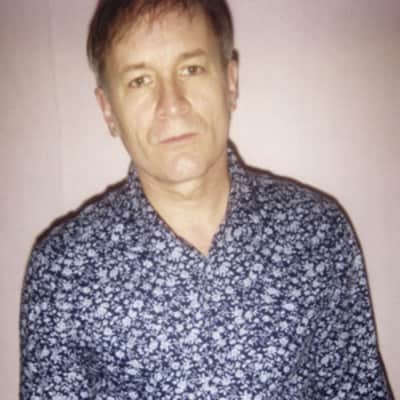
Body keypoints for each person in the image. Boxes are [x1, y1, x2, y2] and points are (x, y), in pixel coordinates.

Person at [20, 0, 392, 399]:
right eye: (140, 80)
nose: (172, 104)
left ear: (230, 82)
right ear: (108, 110)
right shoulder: (63, 272)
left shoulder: (317, 234)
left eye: (191, 69)